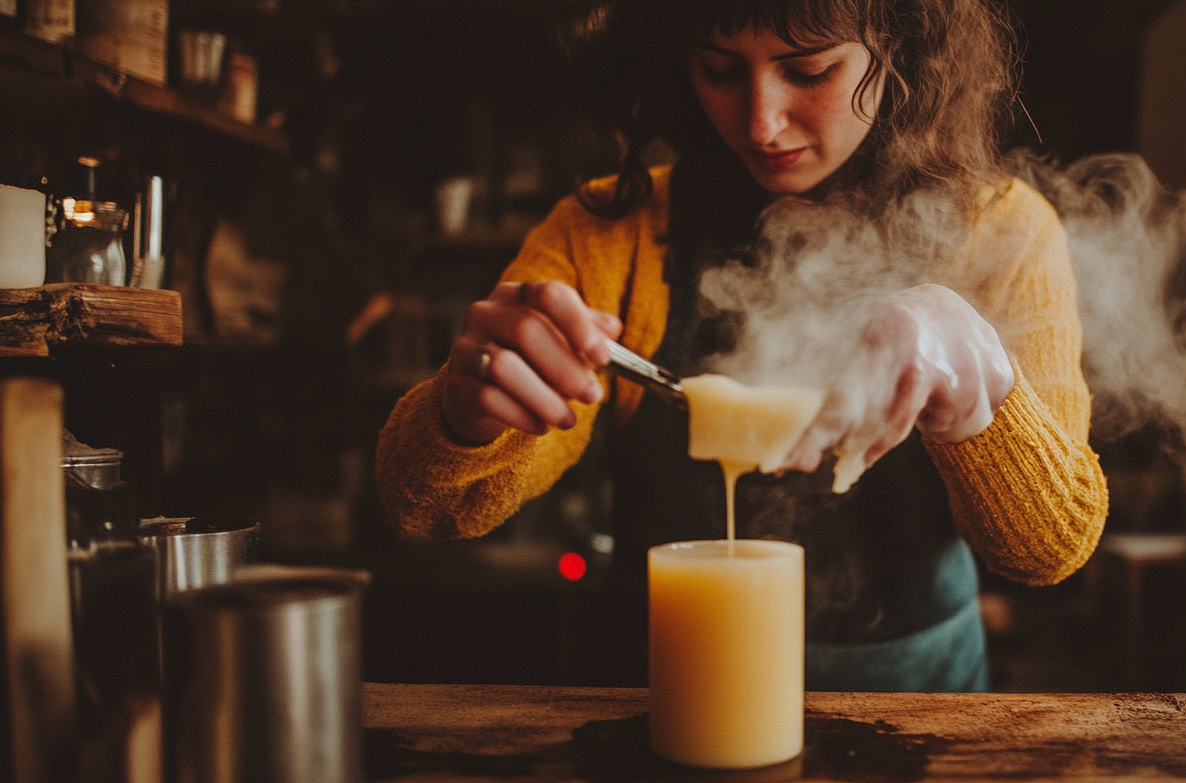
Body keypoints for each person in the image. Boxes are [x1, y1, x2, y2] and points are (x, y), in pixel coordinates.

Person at [375, 0, 1109, 692]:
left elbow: (1049, 548)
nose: (761, 123)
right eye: (719, 69)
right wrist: (465, 417)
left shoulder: (1004, 234)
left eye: (810, 70)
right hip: (663, 697)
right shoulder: (611, 233)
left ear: (900, 48)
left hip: (918, 713)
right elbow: (428, 509)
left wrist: (979, 398)